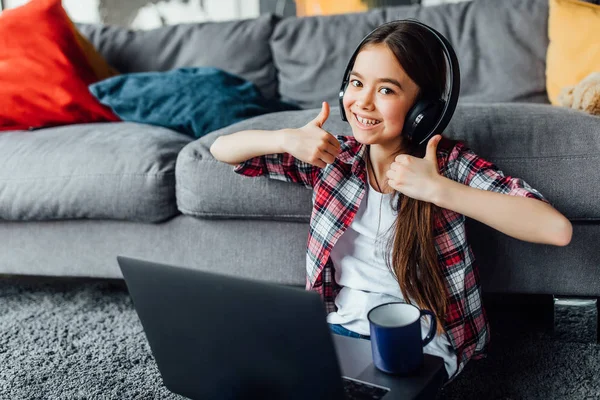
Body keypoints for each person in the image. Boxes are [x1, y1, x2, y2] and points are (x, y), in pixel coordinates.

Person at [209, 20, 572, 384]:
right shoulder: (336, 158)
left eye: (386, 90)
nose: (363, 101)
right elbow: (222, 149)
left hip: (422, 341)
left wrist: (438, 190)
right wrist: (286, 139)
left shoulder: (446, 165)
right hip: (338, 328)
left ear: (424, 109)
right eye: (356, 83)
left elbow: (556, 229)